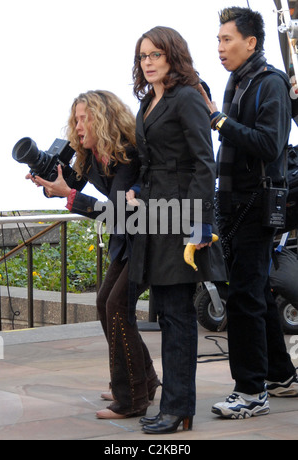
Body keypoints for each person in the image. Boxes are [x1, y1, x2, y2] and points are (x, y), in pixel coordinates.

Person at [28, 90, 159, 419]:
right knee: (107, 303)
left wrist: (69, 194)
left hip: (150, 238)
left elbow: (114, 212)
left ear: (105, 119)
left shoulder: (128, 154)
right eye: (76, 119)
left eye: (85, 118)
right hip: (128, 241)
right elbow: (68, 184)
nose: (79, 125)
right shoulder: (91, 155)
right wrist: (48, 181)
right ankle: (143, 379)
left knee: (116, 305)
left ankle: (131, 399)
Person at [127, 26, 225, 434]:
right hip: (153, 215)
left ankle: (179, 408)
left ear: (172, 55)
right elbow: (150, 161)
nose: (147, 62)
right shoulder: (150, 100)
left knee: (178, 316)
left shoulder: (186, 97)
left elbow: (206, 161)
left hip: (182, 217)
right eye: (143, 56)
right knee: (168, 314)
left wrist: (200, 222)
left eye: (155, 55)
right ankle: (174, 405)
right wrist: (135, 189)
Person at [209, 7, 298, 420]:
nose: (221, 47)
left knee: (245, 299)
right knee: (255, 293)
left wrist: (219, 120)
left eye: (228, 39)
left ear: (251, 42)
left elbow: (269, 143)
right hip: (235, 204)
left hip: (256, 205)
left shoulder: (270, 83)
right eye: (219, 39)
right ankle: (280, 377)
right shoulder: (239, 81)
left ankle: (250, 391)